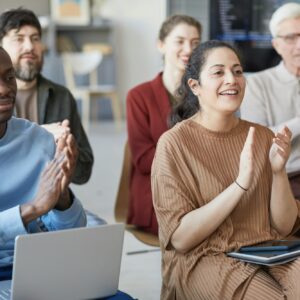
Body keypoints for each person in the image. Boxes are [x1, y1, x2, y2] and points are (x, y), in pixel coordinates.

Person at [151, 40, 300, 299]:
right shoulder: (174, 144)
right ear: (195, 86)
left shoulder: (263, 136)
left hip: (266, 250)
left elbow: (284, 226)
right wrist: (240, 184)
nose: (232, 79)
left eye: (238, 71)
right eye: (219, 72)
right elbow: (182, 240)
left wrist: (278, 172)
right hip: (205, 255)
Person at [0, 46, 86, 278]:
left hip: (38, 265)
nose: (5, 89)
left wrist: (62, 198)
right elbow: (37, 208)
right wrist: (32, 209)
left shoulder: (38, 140)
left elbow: (71, 233)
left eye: (9, 77)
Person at [126, 15, 201, 235]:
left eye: (195, 43)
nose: (188, 49)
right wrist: (195, 159)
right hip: (156, 199)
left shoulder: (205, 94)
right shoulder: (139, 96)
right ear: (161, 45)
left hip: (200, 196)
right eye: (179, 41)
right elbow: (143, 160)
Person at [0, 8, 93, 185]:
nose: (29, 46)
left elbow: (83, 173)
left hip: (54, 204)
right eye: (19, 38)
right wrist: (41, 137)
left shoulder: (62, 96)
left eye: (35, 39)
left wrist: (65, 147)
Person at [240, 2, 300, 198]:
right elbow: (260, 138)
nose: (299, 45)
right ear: (276, 45)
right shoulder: (257, 83)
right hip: (284, 179)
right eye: (291, 38)